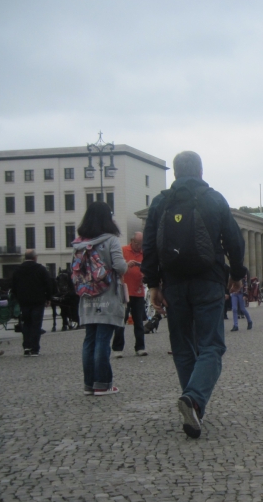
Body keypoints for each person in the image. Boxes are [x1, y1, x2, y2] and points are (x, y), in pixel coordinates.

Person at [141, 150, 247, 439]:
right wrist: (236, 274)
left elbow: (149, 246)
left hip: (173, 283)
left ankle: (193, 403)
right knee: (211, 346)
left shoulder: (161, 202)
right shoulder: (214, 199)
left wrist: (153, 284)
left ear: (175, 173)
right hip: (208, 280)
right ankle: (194, 399)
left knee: (183, 346)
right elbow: (234, 241)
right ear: (200, 171)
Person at [73, 202, 127, 395]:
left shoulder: (80, 243)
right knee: (103, 340)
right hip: (107, 296)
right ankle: (102, 383)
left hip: (87, 296)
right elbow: (120, 266)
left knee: (89, 340)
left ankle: (89, 384)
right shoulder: (111, 240)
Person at [112, 232, 148, 358]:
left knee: (138, 321)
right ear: (131, 241)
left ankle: (140, 347)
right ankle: (117, 348)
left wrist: (145, 274)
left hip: (138, 291)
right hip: (124, 291)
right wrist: (127, 265)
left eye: (141, 244)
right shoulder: (123, 251)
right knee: (121, 320)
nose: (139, 246)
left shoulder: (144, 253)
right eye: (137, 243)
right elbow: (116, 268)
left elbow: (148, 269)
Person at [10, 249, 52, 357]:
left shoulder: (17, 270)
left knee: (27, 323)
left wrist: (18, 298)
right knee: (36, 324)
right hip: (38, 301)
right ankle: (34, 348)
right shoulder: (40, 269)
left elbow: (13, 286)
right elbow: (48, 284)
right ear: (35, 257)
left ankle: (26, 347)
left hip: (24, 301)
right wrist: (48, 298)